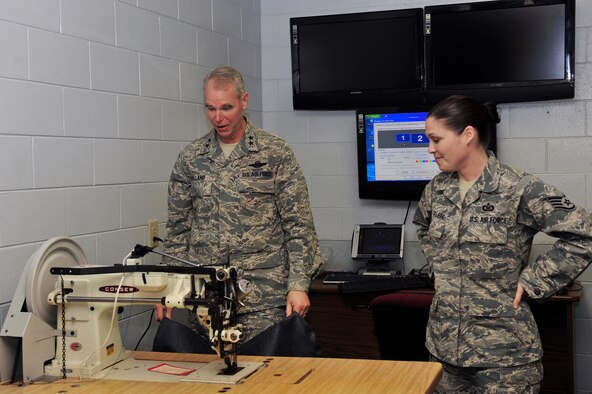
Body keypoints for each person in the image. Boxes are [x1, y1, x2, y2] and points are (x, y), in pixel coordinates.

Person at [413, 95, 592, 393]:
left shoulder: (517, 187)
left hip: (504, 357)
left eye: (436, 139)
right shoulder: (437, 189)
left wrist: (535, 280)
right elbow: (422, 225)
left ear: (467, 135)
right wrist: (440, 268)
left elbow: (584, 233)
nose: (430, 149)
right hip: (445, 351)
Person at [155, 66, 323, 344]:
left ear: (244, 101)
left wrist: (298, 285)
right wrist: (168, 288)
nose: (218, 118)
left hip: (263, 299)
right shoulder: (190, 158)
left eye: (226, 107)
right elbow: (178, 232)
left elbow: (299, 226)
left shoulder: (275, 153)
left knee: (264, 381)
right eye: (210, 108)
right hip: (206, 300)